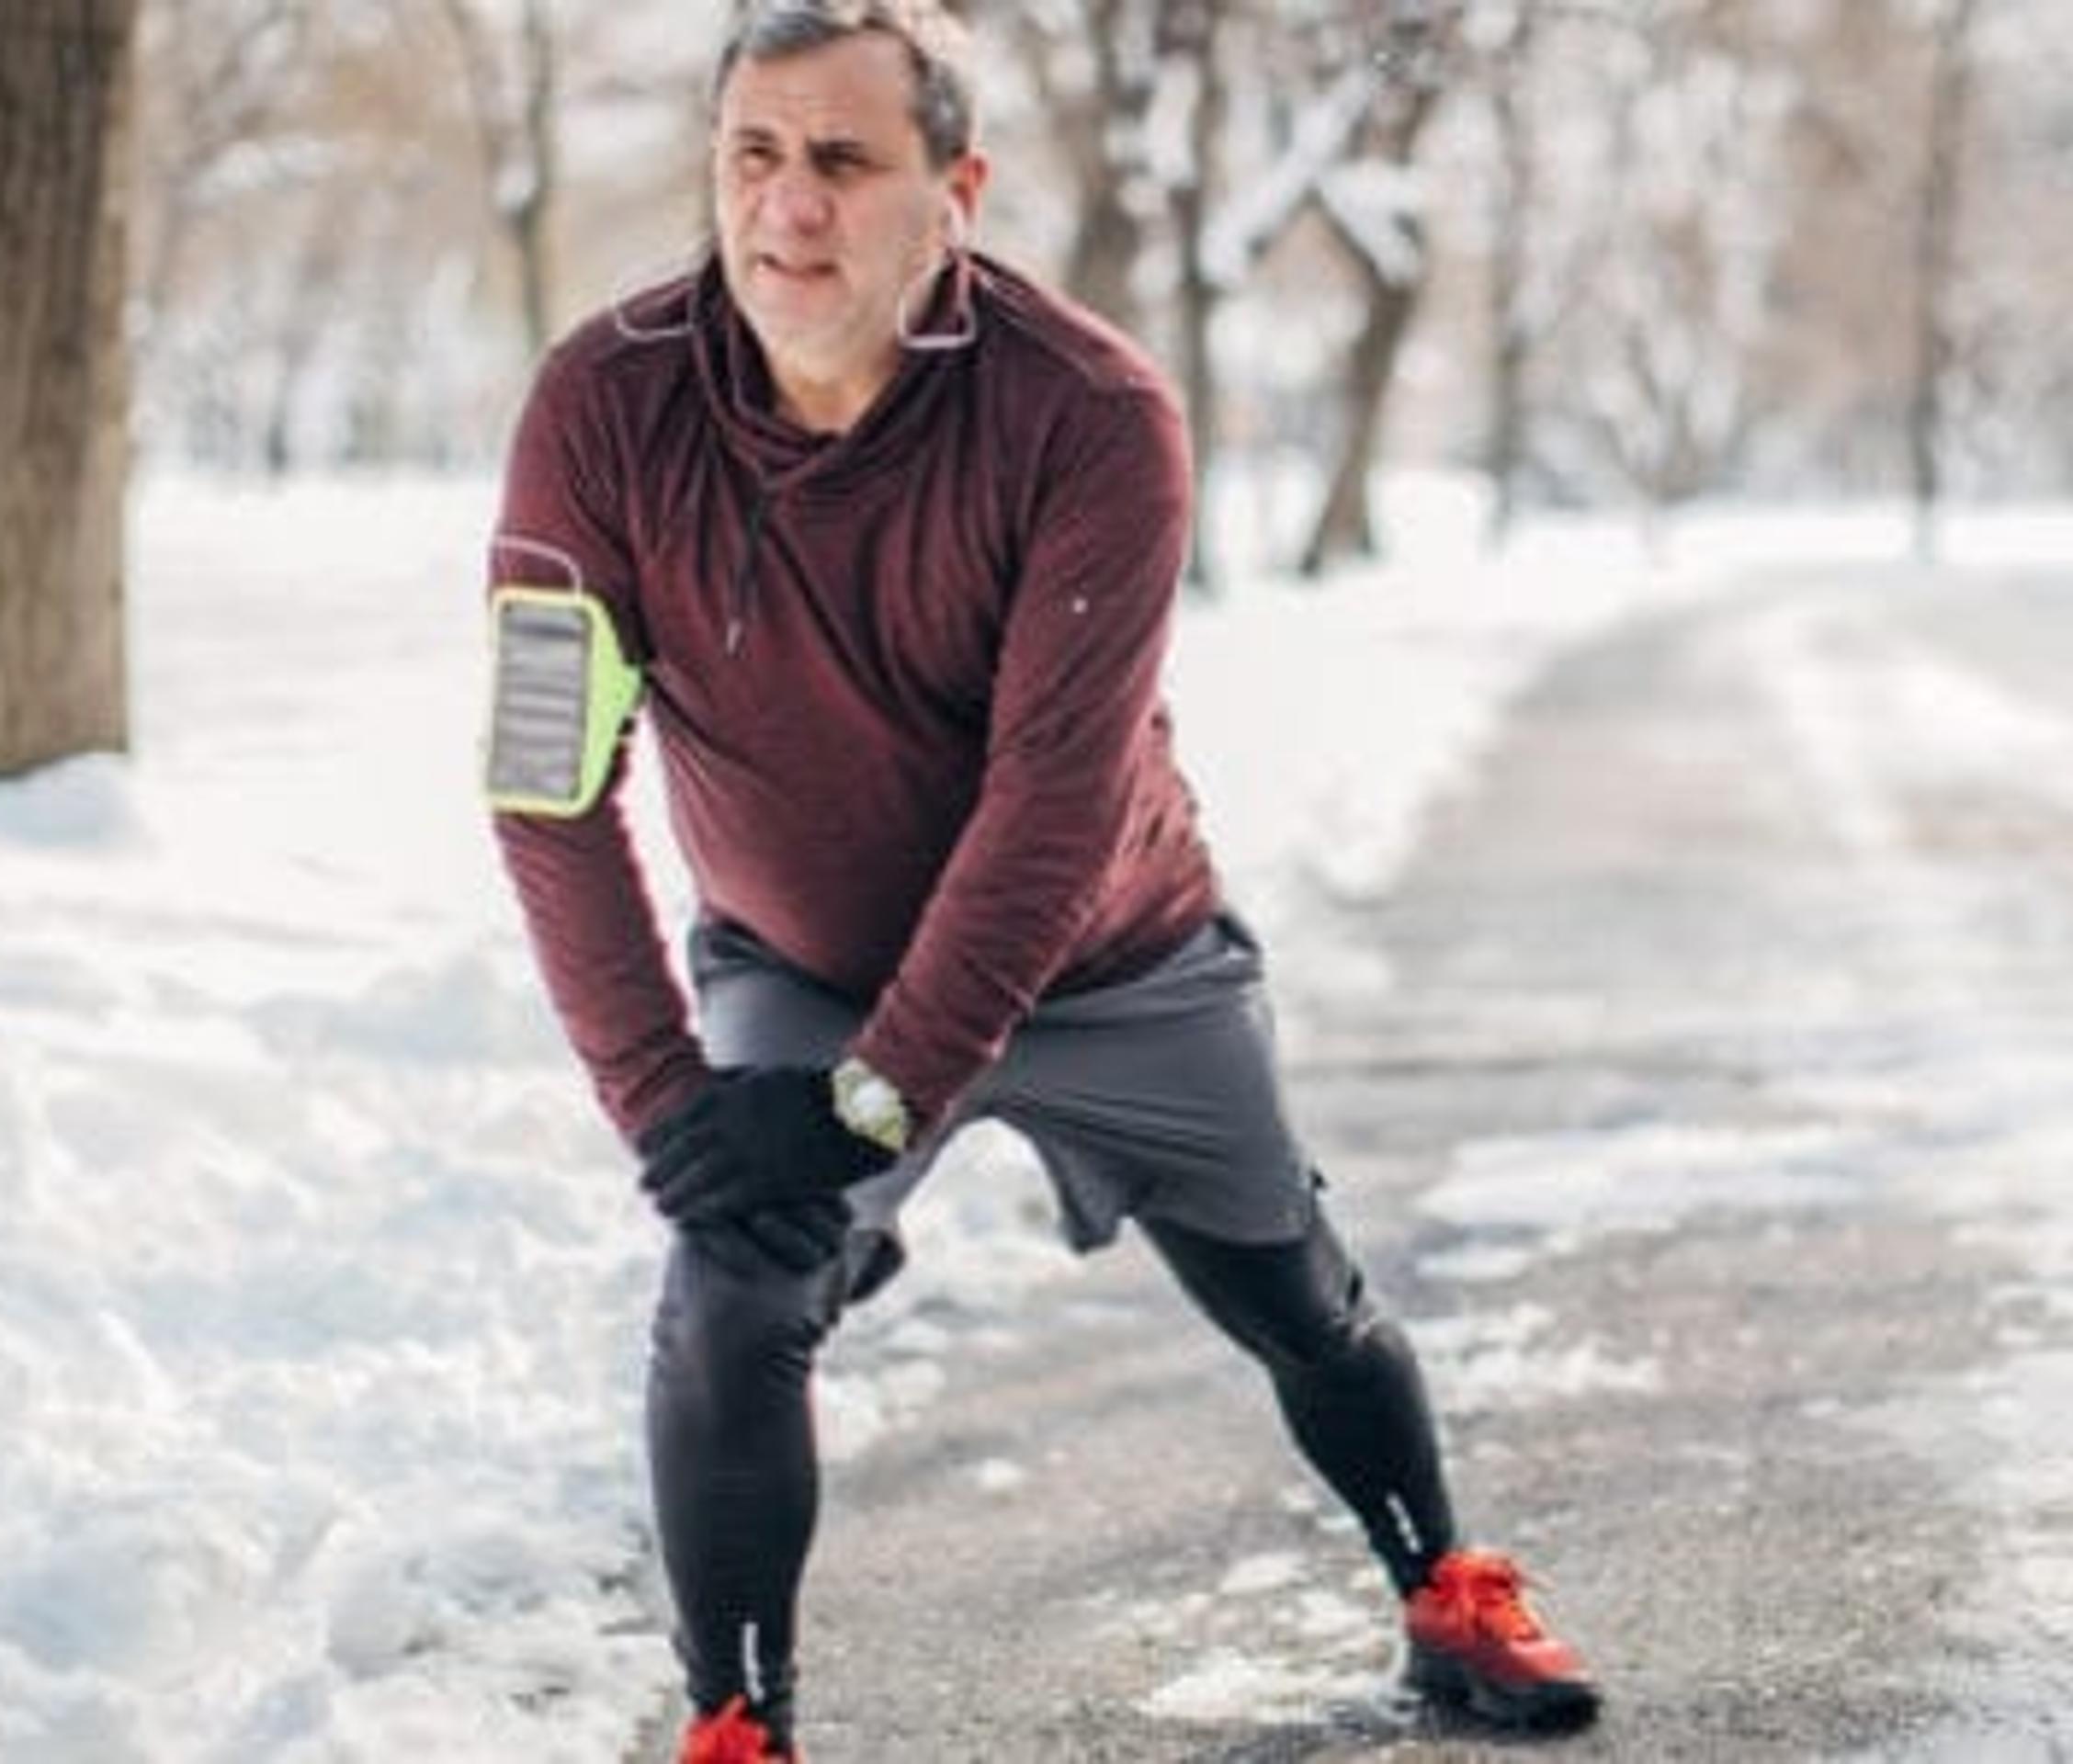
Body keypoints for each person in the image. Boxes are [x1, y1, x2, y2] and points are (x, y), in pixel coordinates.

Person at [476, 6, 1602, 1759]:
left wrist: (868, 1106)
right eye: (752, 155)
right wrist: (667, 1105)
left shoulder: (1088, 417)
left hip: (1116, 963)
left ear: (956, 192)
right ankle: (736, 1728)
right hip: (806, 958)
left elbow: (1051, 804)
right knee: (727, 1295)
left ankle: (1445, 1592)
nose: (788, 209)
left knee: (1296, 1296)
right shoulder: (600, 408)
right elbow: (546, 789)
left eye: (844, 161)